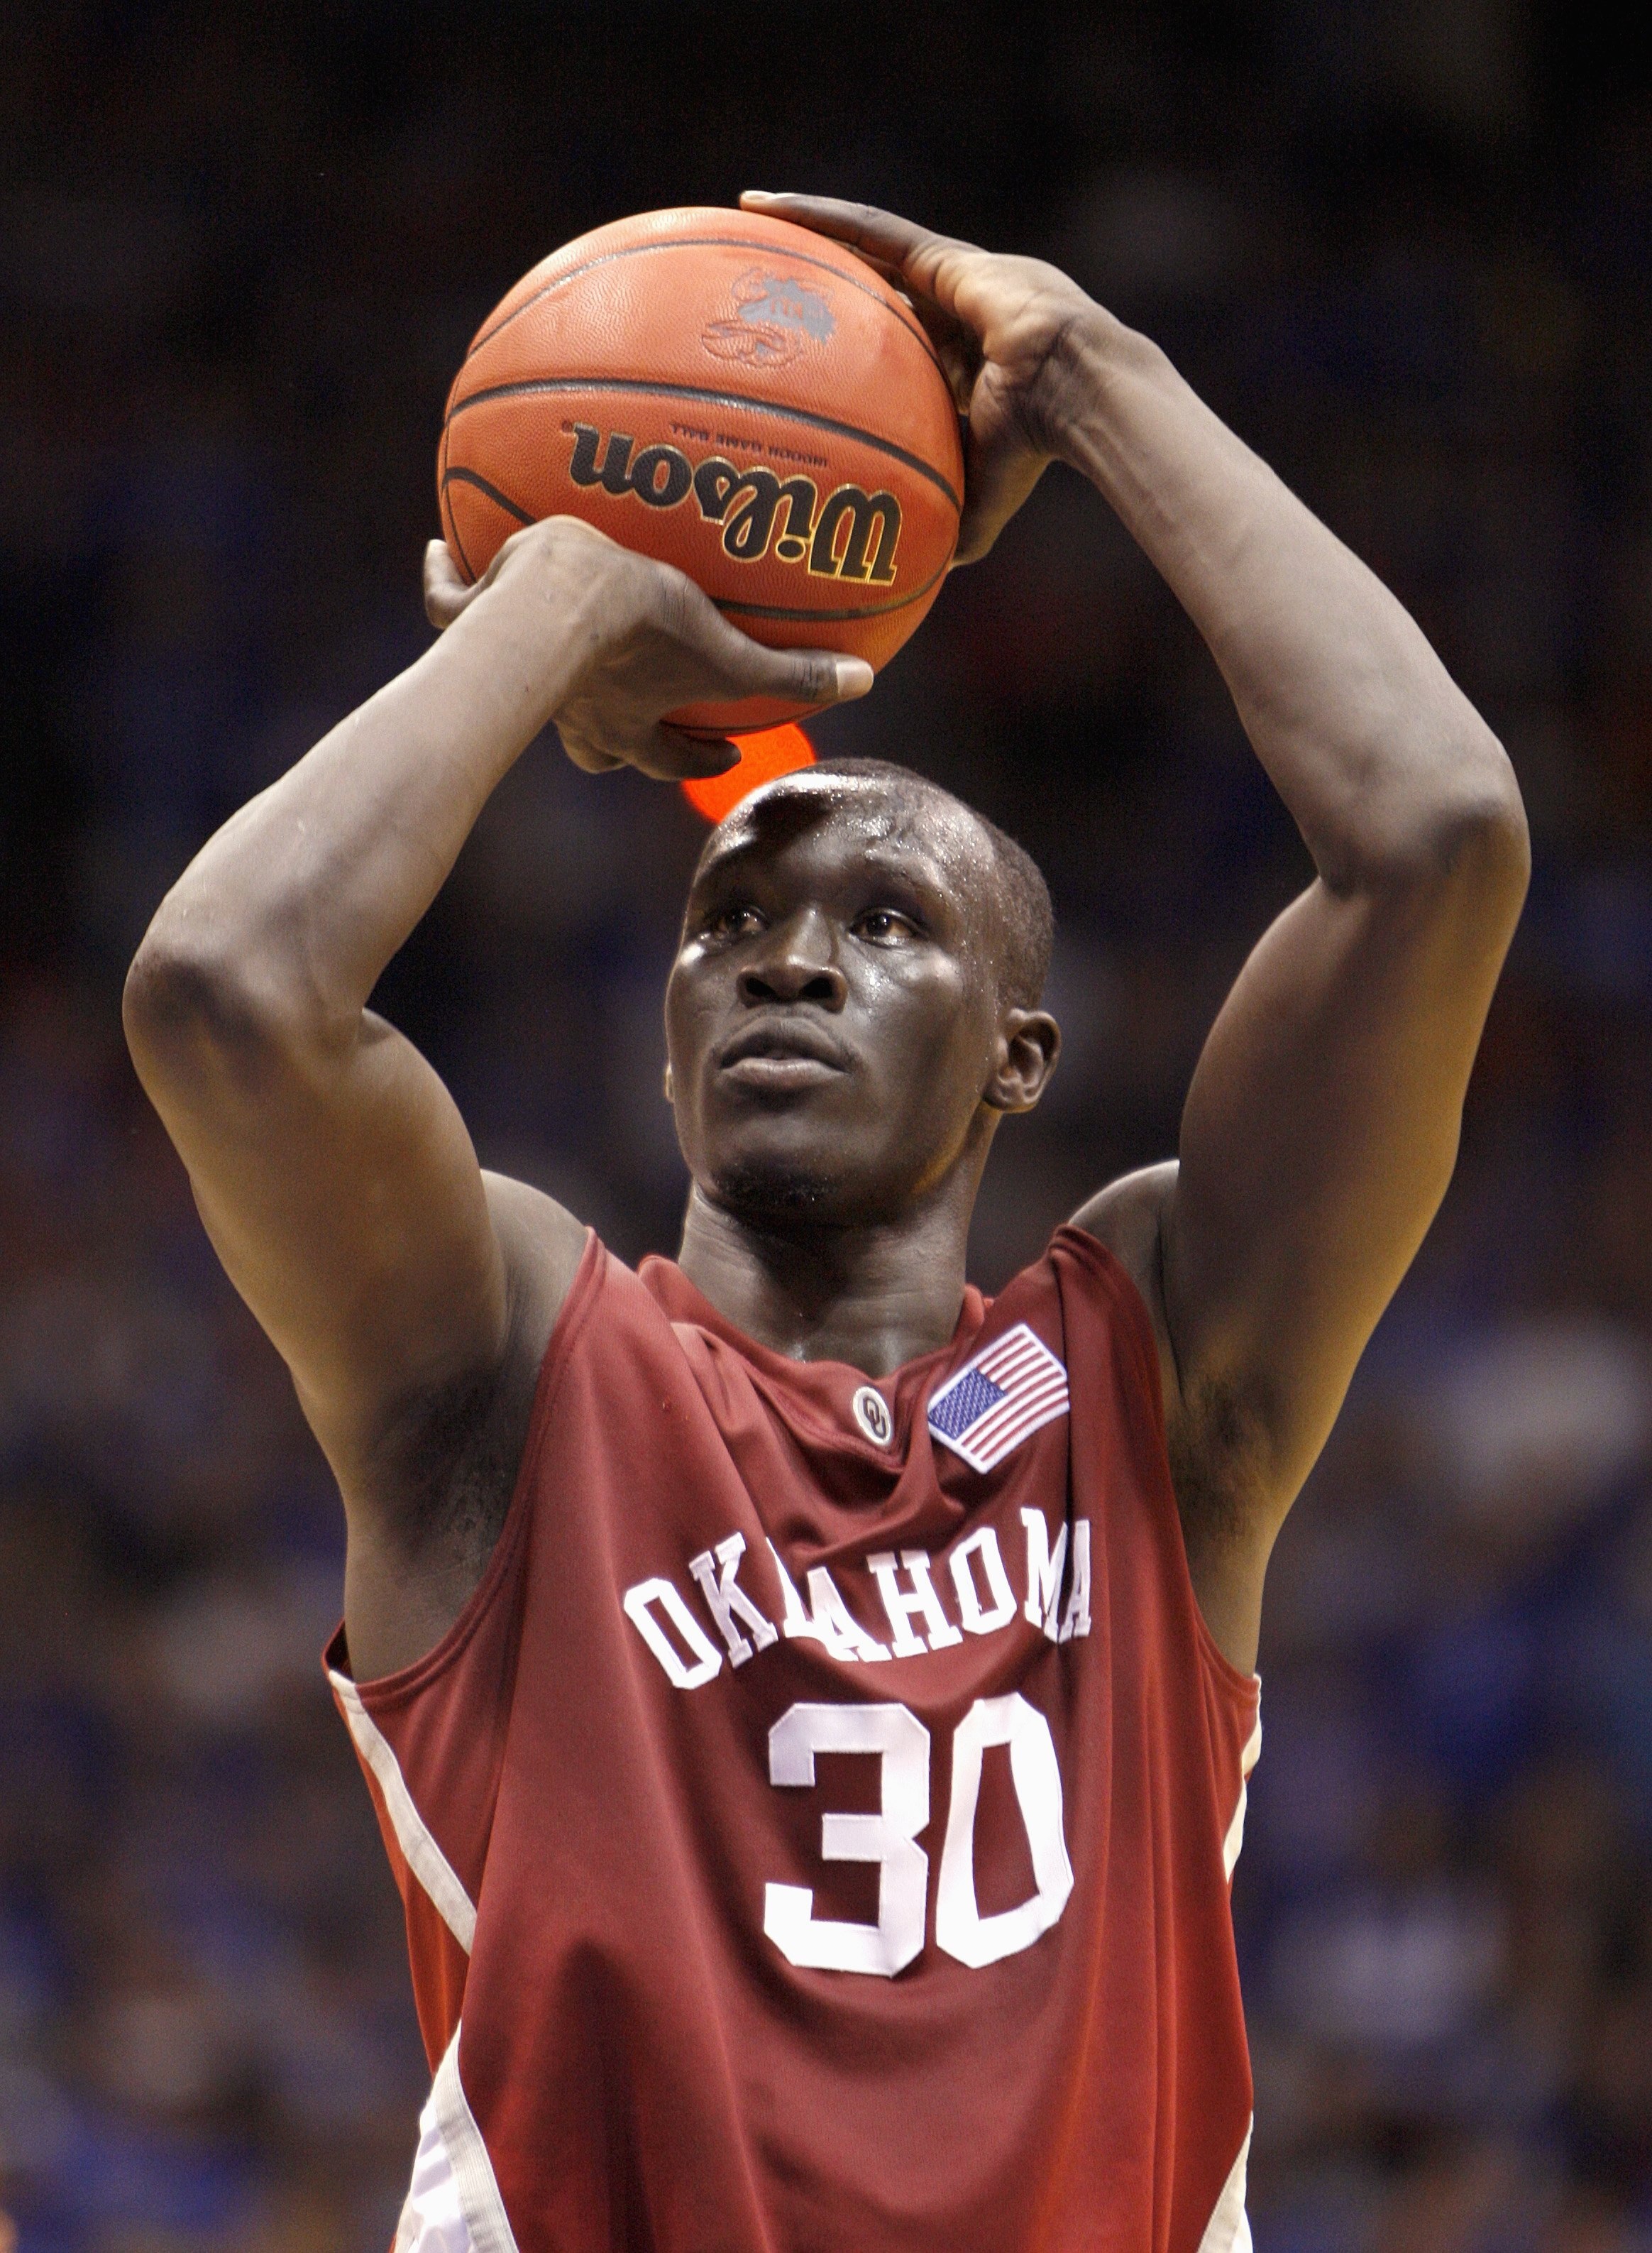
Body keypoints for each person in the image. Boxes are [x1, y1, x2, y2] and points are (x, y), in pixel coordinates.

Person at [122, 194, 1529, 2253]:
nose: (788, 959)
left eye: (887, 924)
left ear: (1019, 1056)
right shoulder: (524, 1370)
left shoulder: (1148, 1374)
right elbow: (225, 989)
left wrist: (1084, 378)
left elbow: (1439, 838)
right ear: (670, 1030)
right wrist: (564, 603)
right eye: (729, 924)